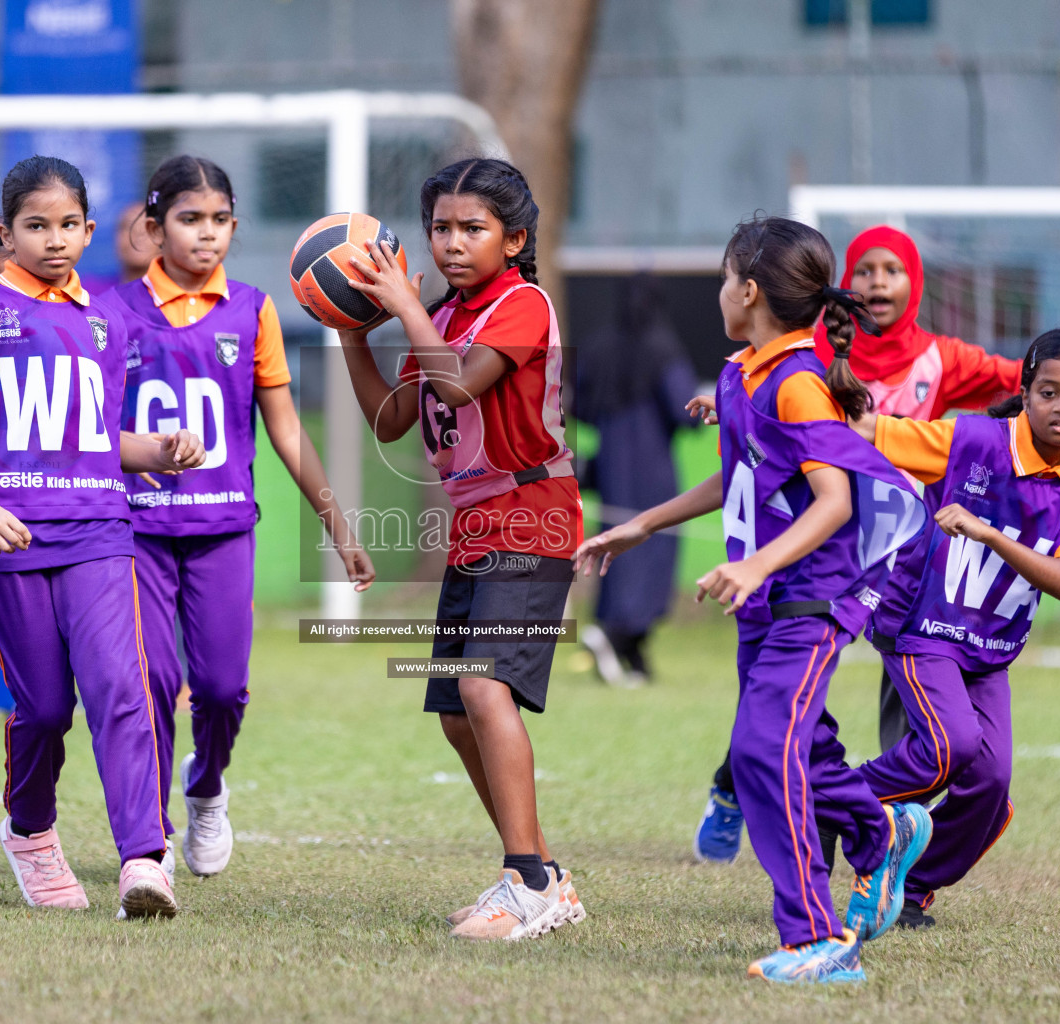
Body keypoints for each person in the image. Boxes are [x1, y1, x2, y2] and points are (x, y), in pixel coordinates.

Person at [695, 224, 1060, 864]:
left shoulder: (945, 361)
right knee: (785, 697)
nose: (877, 281)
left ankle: (888, 857)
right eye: (865, 269)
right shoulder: (811, 353)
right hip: (846, 552)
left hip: (923, 565)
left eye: (891, 270)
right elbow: (787, 402)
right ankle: (753, 791)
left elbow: (1027, 374)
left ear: (913, 284)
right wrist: (735, 406)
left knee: (956, 755)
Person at [575, 216, 932, 984]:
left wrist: (756, 564)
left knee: (762, 750)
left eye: (720, 279)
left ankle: (816, 939)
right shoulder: (742, 374)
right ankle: (881, 836)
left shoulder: (799, 383)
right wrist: (637, 526)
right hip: (764, 601)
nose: (716, 294)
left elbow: (833, 501)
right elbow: (735, 481)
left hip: (809, 598)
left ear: (748, 290)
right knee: (799, 746)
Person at [0, 155, 205, 919]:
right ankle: (30, 831)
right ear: (6, 234)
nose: (55, 239)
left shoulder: (107, 318)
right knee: (44, 708)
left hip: (100, 530)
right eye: (35, 226)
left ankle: (145, 859)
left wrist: (161, 448)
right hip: (7, 538)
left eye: (68, 225)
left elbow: (100, 438)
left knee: (122, 690)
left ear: (88, 229)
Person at [337, 158, 585, 941]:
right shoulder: (438, 318)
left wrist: (407, 305)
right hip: (476, 525)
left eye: (471, 228)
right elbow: (390, 420)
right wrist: (352, 334)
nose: (451, 242)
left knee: (482, 688)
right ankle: (547, 874)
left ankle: (527, 884)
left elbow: (458, 387)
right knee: (454, 712)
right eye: (440, 228)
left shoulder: (523, 304)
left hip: (533, 514)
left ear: (514, 239)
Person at [110, 155, 373, 878]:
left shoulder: (253, 309)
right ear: (153, 228)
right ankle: (149, 842)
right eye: (191, 220)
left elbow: (285, 430)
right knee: (152, 682)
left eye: (221, 220)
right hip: (136, 532)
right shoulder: (111, 314)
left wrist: (338, 527)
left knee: (223, 690)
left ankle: (206, 784)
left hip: (223, 529)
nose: (208, 235)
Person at [850, 327, 1060, 930]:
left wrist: (991, 533)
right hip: (922, 625)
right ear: (1024, 391)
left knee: (990, 779)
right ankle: (828, 797)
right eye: (1048, 392)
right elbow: (870, 432)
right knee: (952, 744)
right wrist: (752, 413)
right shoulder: (972, 439)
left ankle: (912, 886)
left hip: (988, 649)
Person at [573, 273, 700, 685]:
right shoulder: (663, 349)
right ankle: (613, 634)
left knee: (613, 547)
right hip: (653, 471)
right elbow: (684, 410)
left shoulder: (597, 348)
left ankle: (631, 653)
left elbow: (580, 405)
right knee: (652, 549)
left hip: (611, 467)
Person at [114, 200, 158, 285]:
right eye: (128, 227)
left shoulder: (185, 292)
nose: (138, 234)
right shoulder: (89, 293)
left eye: (147, 227)